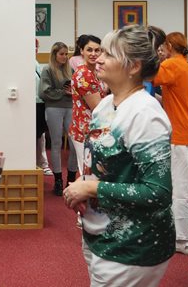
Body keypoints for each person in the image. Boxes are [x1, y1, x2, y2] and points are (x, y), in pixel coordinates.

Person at [63, 25, 174, 287]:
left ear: (133, 66)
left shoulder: (145, 114)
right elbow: (101, 163)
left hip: (132, 245)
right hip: (100, 236)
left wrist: (92, 188)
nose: (98, 59)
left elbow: (157, 192)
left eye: (108, 54)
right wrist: (84, 184)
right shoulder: (105, 103)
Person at [152, 31, 188, 255]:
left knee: (180, 188)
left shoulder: (171, 65)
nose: (161, 50)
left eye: (163, 46)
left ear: (170, 46)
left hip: (181, 135)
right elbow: (175, 97)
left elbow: (149, 77)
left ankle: (182, 240)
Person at [39, 41, 76, 195]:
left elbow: (76, 88)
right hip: (54, 108)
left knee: (74, 145)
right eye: (61, 54)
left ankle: (71, 179)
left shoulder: (70, 70)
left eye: (66, 54)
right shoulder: (47, 70)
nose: (65, 57)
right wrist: (62, 92)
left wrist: (72, 91)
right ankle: (58, 180)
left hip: (70, 107)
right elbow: (44, 92)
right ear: (54, 54)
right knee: (56, 143)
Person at [69, 34, 107, 175]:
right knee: (89, 173)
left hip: (94, 128)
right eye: (89, 50)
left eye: (97, 50)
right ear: (82, 51)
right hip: (85, 130)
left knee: (94, 172)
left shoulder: (95, 71)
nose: (93, 54)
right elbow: (97, 106)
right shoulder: (84, 74)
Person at [35, 38, 53, 176]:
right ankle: (36, 163)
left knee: (41, 135)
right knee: (34, 135)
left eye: (37, 47)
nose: (35, 49)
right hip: (30, 104)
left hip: (40, 102)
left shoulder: (37, 64)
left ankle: (43, 164)